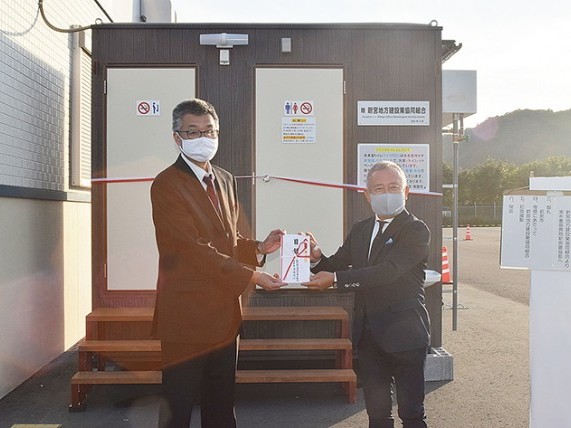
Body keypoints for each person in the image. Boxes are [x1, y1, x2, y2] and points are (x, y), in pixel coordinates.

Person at [150, 98, 286, 428]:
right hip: (186, 318)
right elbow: (191, 249)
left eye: (209, 131)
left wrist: (258, 248)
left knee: (222, 406)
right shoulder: (166, 184)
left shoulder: (225, 179)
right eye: (193, 131)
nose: (203, 138)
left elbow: (228, 241)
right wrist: (253, 276)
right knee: (177, 407)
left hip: (225, 316)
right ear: (177, 137)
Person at [302, 160, 431, 428]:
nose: (387, 194)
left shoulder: (415, 229)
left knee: (412, 414)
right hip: (369, 335)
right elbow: (337, 264)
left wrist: (336, 279)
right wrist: (317, 259)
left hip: (406, 334)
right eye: (379, 188)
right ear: (367, 195)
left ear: (406, 192)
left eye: (393, 187)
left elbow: (389, 271)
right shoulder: (361, 229)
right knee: (377, 413)